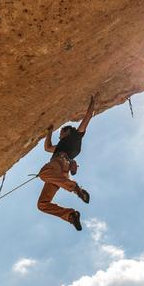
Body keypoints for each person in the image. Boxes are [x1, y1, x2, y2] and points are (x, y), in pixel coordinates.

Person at [36, 94, 97, 231]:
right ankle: (71, 215)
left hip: (59, 163)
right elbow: (47, 148)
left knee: (43, 173)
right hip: (62, 173)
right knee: (42, 204)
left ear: (68, 131)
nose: (60, 136)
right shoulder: (60, 145)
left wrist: (93, 101)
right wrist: (49, 132)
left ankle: (75, 188)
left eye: (61, 133)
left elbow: (88, 117)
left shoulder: (76, 135)